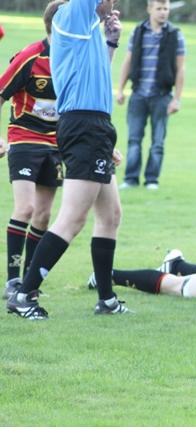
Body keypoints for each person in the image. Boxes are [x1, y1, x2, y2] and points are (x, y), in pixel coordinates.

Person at [7, 0, 128, 319]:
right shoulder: (70, 15)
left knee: (112, 214)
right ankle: (24, 295)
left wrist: (111, 41)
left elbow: (98, 73)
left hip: (97, 126)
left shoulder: (86, 33)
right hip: (85, 126)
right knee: (73, 218)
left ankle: (106, 300)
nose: (112, 4)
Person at [0, 0, 66, 300]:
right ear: (58, 25)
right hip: (25, 138)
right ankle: (12, 281)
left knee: (42, 215)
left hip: (55, 144)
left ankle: (29, 282)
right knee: (25, 209)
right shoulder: (30, 57)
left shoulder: (72, 58)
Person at [117, 0, 186, 191]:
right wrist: (121, 89)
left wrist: (176, 99)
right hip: (138, 94)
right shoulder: (138, 32)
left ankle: (151, 180)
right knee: (134, 140)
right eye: (159, 8)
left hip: (162, 95)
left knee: (157, 142)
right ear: (150, 9)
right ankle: (130, 179)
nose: (163, 12)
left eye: (166, 9)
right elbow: (127, 62)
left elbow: (181, 69)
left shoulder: (175, 34)